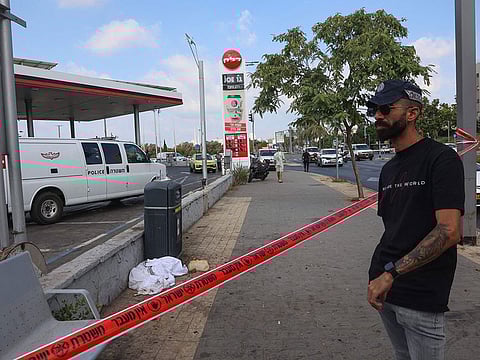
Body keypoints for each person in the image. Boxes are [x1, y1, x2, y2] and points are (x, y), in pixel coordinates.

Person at [366, 80, 465, 360]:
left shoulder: (441, 160)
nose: (377, 116)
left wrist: (391, 274)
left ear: (412, 113)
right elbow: (394, 230)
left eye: (385, 108)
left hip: (421, 295)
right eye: (374, 109)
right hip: (386, 291)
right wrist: (379, 275)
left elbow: (448, 231)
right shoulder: (389, 169)